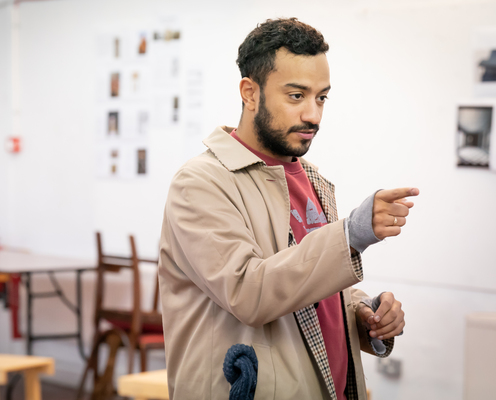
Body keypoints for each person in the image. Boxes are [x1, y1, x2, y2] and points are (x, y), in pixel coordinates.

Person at [158, 17, 419, 400]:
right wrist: (351, 235)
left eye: (321, 97)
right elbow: (249, 292)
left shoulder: (311, 178)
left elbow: (312, 290)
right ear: (250, 93)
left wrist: (365, 313)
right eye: (296, 96)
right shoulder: (201, 183)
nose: (313, 115)